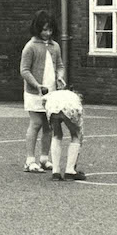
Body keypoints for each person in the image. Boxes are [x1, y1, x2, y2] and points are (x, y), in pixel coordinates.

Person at [19, 10, 66, 173]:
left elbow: (60, 65)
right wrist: (37, 85)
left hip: (51, 93)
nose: (48, 33)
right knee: (36, 123)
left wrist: (60, 77)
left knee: (49, 126)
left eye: (50, 30)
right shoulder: (30, 47)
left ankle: (44, 158)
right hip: (34, 93)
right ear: (37, 28)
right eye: (44, 29)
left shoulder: (55, 46)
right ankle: (30, 160)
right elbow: (24, 70)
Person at [43, 89, 85, 181]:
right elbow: (80, 132)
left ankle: (56, 172)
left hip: (52, 106)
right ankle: (70, 171)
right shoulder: (75, 99)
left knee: (56, 135)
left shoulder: (53, 94)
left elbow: (44, 102)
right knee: (76, 136)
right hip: (69, 106)